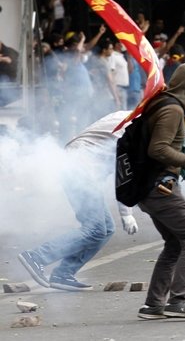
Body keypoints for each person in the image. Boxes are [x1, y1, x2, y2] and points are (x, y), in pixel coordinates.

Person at [18, 111, 139, 291]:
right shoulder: (137, 126)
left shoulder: (130, 116)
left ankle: (64, 274)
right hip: (81, 168)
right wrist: (126, 213)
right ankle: (36, 257)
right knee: (95, 229)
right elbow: (124, 171)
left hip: (81, 166)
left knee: (105, 229)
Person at [136, 61, 185, 320]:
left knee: (175, 243)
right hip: (160, 186)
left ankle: (153, 304)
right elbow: (158, 149)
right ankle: (181, 301)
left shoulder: (167, 104)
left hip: (152, 187)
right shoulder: (171, 110)